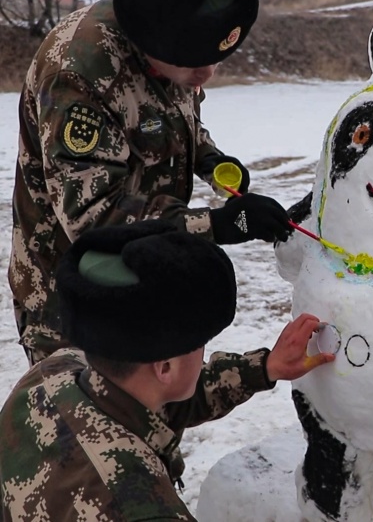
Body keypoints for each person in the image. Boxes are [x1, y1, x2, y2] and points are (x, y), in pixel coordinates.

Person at [8, 0, 292, 366]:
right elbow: (94, 217)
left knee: (160, 405)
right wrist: (217, 225)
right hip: (77, 299)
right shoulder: (78, 74)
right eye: (195, 62)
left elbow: (169, 117)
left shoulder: (173, 37)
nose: (206, 74)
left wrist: (210, 160)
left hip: (148, 271)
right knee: (103, 420)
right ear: (151, 42)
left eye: (216, 58)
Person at [0, 221, 335, 521]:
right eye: (200, 344)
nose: (203, 352)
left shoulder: (53, 372)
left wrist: (265, 368)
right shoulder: (140, 507)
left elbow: (168, 396)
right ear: (164, 366)